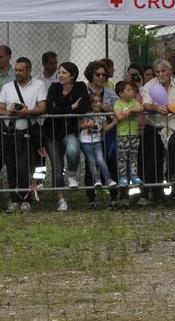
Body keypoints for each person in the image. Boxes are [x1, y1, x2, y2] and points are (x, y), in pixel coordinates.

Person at [0, 56, 48, 210]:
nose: (17, 73)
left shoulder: (39, 85)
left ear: (29, 70)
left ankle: (26, 200)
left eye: (21, 70)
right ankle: (14, 200)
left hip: (28, 133)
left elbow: (42, 108)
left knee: (25, 168)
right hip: (10, 133)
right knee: (11, 168)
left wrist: (27, 112)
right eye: (16, 70)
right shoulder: (7, 87)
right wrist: (9, 112)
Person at [142, 59, 175, 205]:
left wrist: (170, 108)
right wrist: (156, 108)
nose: (160, 74)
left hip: (173, 124)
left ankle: (170, 172)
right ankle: (158, 195)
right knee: (155, 161)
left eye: (163, 71)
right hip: (154, 125)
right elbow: (146, 103)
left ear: (169, 71)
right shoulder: (149, 85)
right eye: (157, 71)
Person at [44, 62, 91, 211]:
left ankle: (71, 174)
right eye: (59, 72)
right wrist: (71, 107)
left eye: (64, 73)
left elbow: (83, 108)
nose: (60, 75)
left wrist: (61, 108)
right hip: (51, 132)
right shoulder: (54, 87)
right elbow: (50, 109)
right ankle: (61, 199)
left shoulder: (81, 87)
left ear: (72, 75)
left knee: (73, 151)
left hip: (70, 130)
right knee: (57, 167)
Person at [80, 62, 116, 205]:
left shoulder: (111, 93)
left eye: (103, 75)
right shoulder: (84, 92)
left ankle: (114, 197)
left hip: (107, 134)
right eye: (97, 74)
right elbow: (80, 113)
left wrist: (109, 109)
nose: (101, 77)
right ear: (91, 75)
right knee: (91, 165)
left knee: (110, 163)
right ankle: (91, 199)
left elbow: (117, 111)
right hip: (89, 136)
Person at [110, 80, 144, 202]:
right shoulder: (118, 104)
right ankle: (123, 176)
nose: (132, 92)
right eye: (128, 90)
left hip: (134, 134)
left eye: (132, 89)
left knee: (134, 156)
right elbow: (119, 116)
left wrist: (130, 110)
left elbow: (141, 107)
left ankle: (134, 176)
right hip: (122, 135)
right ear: (121, 93)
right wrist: (128, 111)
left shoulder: (133, 102)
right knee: (123, 157)